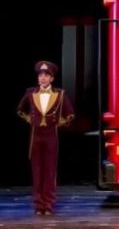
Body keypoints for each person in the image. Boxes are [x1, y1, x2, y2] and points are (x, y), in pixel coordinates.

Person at [17, 61, 74, 216]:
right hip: (35, 137)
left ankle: (48, 204)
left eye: (46, 75)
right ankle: (38, 204)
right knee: (37, 171)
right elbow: (20, 110)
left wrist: (58, 124)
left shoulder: (60, 94)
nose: (42, 78)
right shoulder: (30, 93)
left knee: (49, 172)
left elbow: (70, 114)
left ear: (52, 78)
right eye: (40, 75)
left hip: (51, 137)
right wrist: (31, 120)